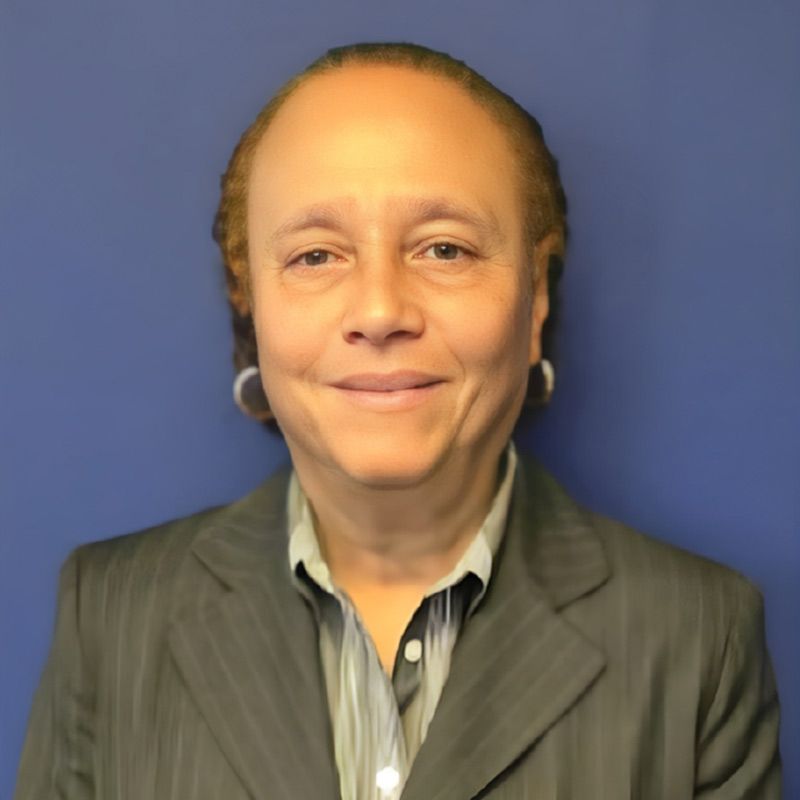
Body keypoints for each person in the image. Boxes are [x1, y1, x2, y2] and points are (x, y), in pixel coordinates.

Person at [15, 41, 781, 799]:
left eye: (444, 248)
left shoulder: (697, 635)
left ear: (536, 299)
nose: (379, 310)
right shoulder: (110, 615)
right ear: (252, 303)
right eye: (316, 256)